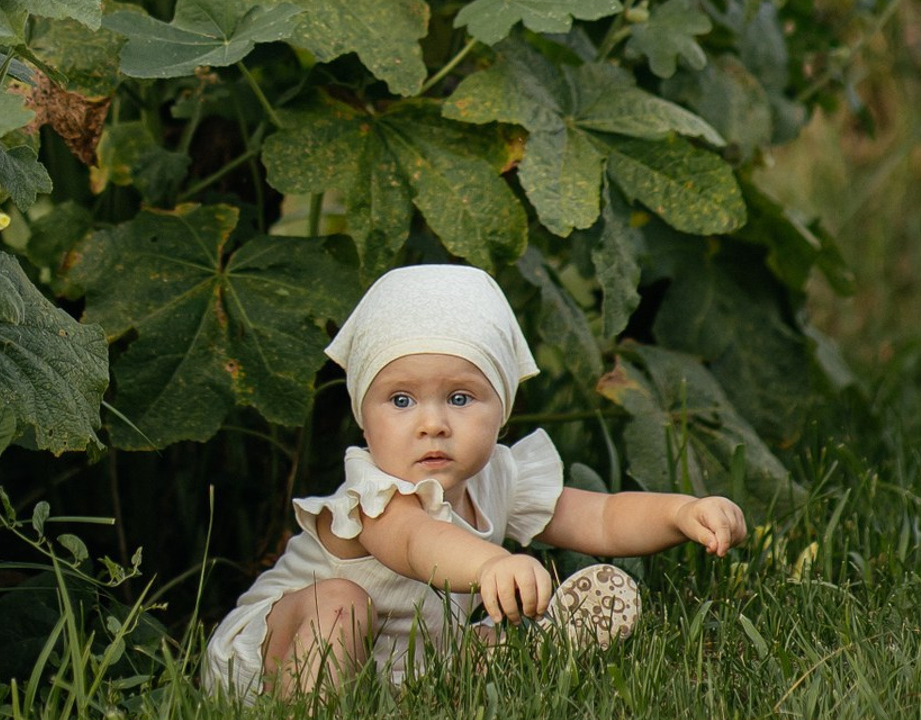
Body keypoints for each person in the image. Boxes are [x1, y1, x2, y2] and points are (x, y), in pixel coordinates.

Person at [200, 264, 748, 697]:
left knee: (474, 645)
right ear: (363, 415)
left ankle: (532, 650)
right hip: (279, 657)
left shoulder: (498, 477)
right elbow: (419, 543)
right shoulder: (374, 498)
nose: (433, 422)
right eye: (401, 400)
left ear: (502, 410)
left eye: (460, 398)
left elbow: (600, 518)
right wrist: (491, 564)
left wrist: (680, 512)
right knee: (342, 601)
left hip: (399, 662)